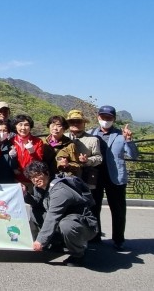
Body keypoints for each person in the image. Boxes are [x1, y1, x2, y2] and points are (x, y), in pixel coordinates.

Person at [22, 161, 98, 267]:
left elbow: (52, 217)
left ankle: (78, 254)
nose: (35, 179)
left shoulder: (59, 190)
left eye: (38, 175)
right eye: (32, 177)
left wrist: (40, 241)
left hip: (84, 225)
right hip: (63, 219)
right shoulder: (40, 187)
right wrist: (25, 194)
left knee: (66, 225)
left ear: (46, 173)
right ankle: (56, 243)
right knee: (35, 211)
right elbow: (38, 203)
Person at [89, 105, 139, 250]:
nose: (105, 119)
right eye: (103, 117)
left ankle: (118, 239)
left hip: (115, 177)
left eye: (109, 117)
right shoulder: (90, 133)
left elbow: (134, 156)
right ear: (98, 117)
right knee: (93, 207)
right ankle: (94, 236)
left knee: (118, 210)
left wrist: (128, 140)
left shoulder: (121, 135)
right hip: (94, 176)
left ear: (114, 119)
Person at [65, 109, 102, 189]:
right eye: (72, 121)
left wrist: (87, 160)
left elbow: (99, 158)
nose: (75, 124)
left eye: (78, 121)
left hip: (85, 178)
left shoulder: (93, 140)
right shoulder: (63, 137)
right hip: (65, 177)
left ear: (84, 123)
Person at [11, 114, 43, 185]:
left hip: (32, 179)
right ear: (15, 126)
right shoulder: (11, 141)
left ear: (30, 127)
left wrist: (32, 152)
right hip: (16, 179)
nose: (23, 128)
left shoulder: (38, 141)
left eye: (26, 125)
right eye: (20, 125)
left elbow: (39, 162)